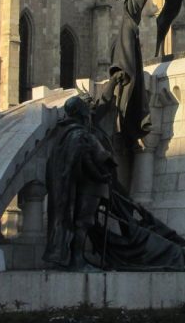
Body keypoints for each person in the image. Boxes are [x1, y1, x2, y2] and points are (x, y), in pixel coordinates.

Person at [43, 95, 116, 270]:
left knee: (78, 222)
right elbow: (87, 161)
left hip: (72, 187)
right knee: (83, 222)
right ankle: (77, 261)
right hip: (87, 188)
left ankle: (71, 259)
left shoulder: (64, 135)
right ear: (80, 112)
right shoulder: (79, 134)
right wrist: (100, 177)